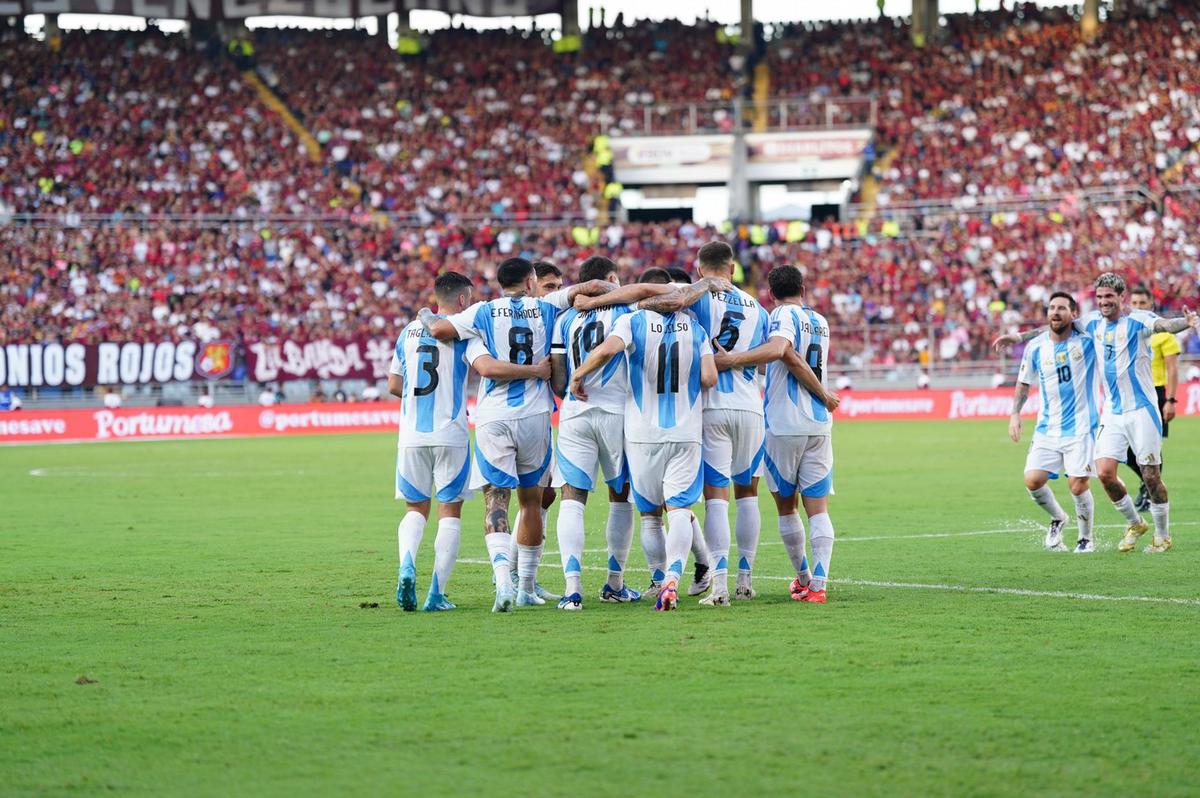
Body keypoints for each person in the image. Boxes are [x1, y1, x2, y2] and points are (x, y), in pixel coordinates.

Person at [420, 258, 616, 611]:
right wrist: (596, 297)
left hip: (494, 417)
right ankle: (526, 585)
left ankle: (503, 584)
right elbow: (593, 287)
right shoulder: (545, 306)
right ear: (531, 281)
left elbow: (438, 329)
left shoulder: (481, 313)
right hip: (535, 416)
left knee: (496, 501)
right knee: (532, 502)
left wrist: (424, 314)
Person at [995, 273, 1198, 554]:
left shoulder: (1139, 320)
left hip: (1142, 409)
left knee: (1150, 475)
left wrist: (1184, 324)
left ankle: (1162, 535)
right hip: (1112, 412)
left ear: (1121, 298)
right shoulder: (1091, 322)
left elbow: (1163, 325)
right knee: (1104, 473)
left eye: (1109, 297)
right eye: (1100, 297)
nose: (1103, 302)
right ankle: (1135, 523)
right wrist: (1018, 337)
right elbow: (1055, 328)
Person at [389, 272, 550, 611]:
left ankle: (406, 563)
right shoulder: (467, 333)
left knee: (415, 509)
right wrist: (536, 371)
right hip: (451, 433)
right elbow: (487, 366)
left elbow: (394, 384)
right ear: (462, 300)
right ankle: (435, 593)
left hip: (410, 435)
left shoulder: (406, 332)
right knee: (450, 512)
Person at [547, 256, 692, 609]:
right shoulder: (628, 312)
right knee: (621, 497)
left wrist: (576, 383)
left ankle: (572, 590)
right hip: (619, 413)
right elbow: (671, 291)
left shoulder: (564, 318)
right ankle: (614, 582)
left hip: (574, 412)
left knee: (572, 498)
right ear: (613, 279)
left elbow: (558, 376)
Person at [568, 280, 719, 611]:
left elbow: (607, 350)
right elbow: (709, 379)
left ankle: (660, 576)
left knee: (651, 516)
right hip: (685, 431)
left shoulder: (631, 321)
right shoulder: (696, 328)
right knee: (680, 509)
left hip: (641, 433)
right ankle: (673, 580)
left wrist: (578, 373)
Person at [713, 265, 839, 603]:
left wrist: (733, 360)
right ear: (803, 286)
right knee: (819, 509)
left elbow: (782, 350)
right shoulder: (820, 321)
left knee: (786, 507)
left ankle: (804, 578)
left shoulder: (781, 314)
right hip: (819, 426)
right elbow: (786, 359)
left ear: (770, 294)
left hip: (784, 424)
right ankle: (818, 584)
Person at [685, 241, 770, 605]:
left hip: (712, 407)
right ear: (732, 269)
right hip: (751, 408)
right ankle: (745, 579)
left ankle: (718, 586)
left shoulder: (698, 298)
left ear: (699, 270)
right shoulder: (759, 309)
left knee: (716, 498)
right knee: (748, 493)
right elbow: (763, 362)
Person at [1006, 292, 1101, 553]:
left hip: (1082, 426)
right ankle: (1059, 518)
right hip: (1048, 427)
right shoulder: (1036, 347)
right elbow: (1023, 382)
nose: (1055, 312)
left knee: (1078, 484)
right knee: (1032, 480)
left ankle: (1085, 538)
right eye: (1051, 308)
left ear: (1073, 313)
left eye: (1062, 308)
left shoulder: (1087, 341)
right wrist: (1015, 413)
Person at [1126, 286, 1182, 511]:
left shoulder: (1162, 333)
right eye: (1135, 303)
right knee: (1128, 451)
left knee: (1152, 448)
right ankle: (1146, 483)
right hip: (1132, 393)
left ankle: (1152, 492)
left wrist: (1171, 400)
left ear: (1151, 305)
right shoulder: (1128, 330)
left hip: (1156, 392)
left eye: (1143, 303)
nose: (1138, 307)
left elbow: (1173, 369)